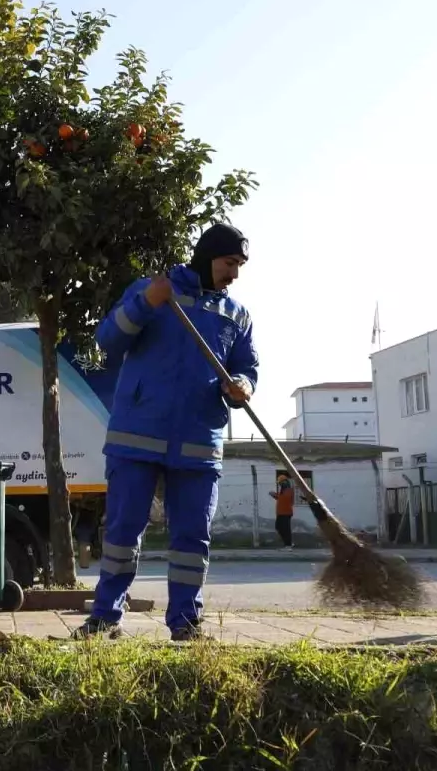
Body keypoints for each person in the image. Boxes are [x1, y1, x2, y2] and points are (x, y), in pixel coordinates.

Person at [75, 223, 258, 642]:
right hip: (137, 435)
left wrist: (243, 386)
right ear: (208, 256)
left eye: (240, 266)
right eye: (230, 263)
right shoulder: (154, 292)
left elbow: (248, 368)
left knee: (193, 538)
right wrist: (144, 303)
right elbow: (108, 340)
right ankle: (105, 617)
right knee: (122, 533)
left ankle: (186, 623)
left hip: (199, 442)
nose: (234, 274)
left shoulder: (237, 316)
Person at [270, 472, 295, 550]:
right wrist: (275, 495)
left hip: (285, 512)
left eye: (281, 482)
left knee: (285, 529)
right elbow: (281, 498)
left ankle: (288, 545)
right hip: (281, 512)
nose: (280, 484)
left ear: (285, 481)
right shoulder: (284, 489)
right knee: (279, 527)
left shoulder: (288, 489)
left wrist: (275, 495)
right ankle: (288, 543)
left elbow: (284, 499)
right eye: (280, 483)